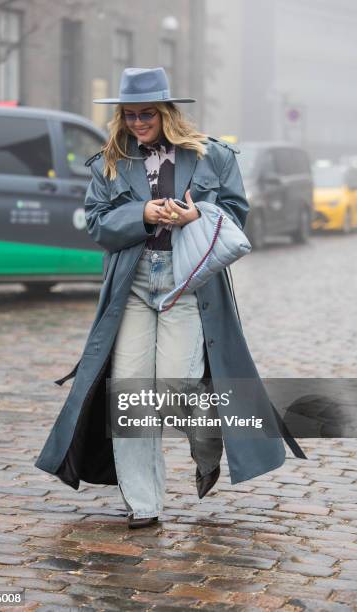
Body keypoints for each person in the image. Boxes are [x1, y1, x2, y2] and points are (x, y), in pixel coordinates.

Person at [34, 67, 307, 529]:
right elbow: (97, 224)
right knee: (129, 391)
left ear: (166, 112)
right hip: (133, 283)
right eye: (130, 114)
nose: (139, 122)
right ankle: (144, 503)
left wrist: (196, 212)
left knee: (179, 380)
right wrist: (141, 212)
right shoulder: (111, 162)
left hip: (188, 281)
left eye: (148, 114)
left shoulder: (210, 156)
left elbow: (238, 214)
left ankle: (208, 443)